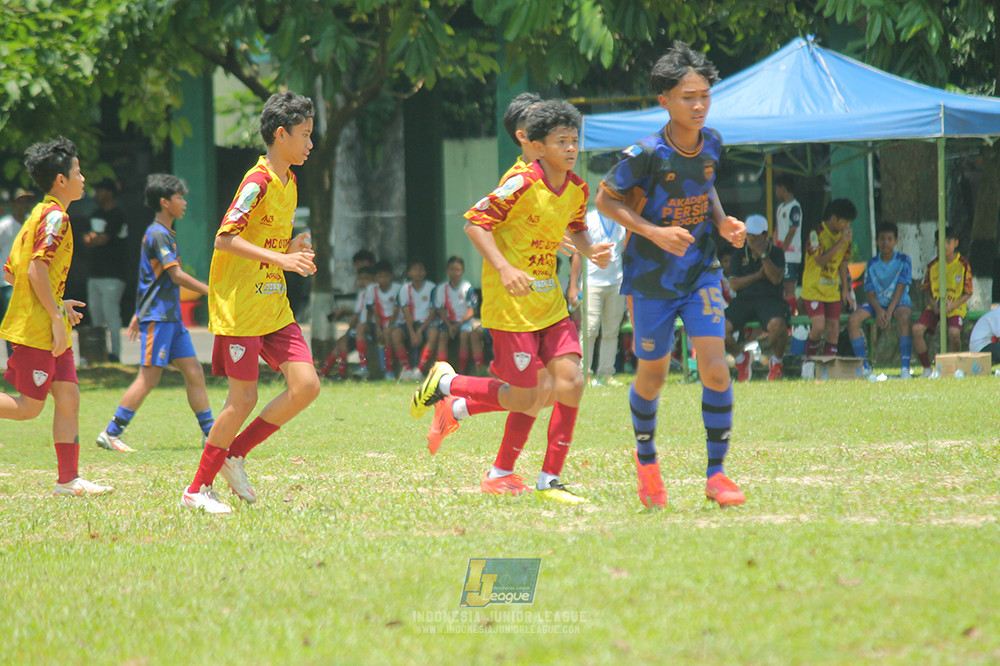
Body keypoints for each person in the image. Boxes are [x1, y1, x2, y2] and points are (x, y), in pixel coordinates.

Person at [411, 99, 612, 504]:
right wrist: (504, 268)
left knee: (569, 383)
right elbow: (475, 224)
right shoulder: (520, 182)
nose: (571, 149)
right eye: (562, 141)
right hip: (512, 307)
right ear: (534, 144)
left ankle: (548, 479)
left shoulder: (576, 187)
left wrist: (589, 250)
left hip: (549, 303)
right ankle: (450, 386)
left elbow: (573, 225)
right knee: (529, 395)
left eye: (575, 141)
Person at [595, 41, 747, 509]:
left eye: (704, 95)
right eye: (688, 97)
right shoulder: (645, 153)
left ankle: (717, 474)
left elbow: (706, 183)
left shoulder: (714, 141)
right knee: (653, 377)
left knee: (716, 369)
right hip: (650, 278)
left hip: (701, 270)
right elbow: (605, 200)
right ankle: (646, 462)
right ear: (664, 101)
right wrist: (653, 233)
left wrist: (721, 222)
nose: (698, 105)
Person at [181, 92, 320, 514]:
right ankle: (196, 490)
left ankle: (234, 455)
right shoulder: (256, 181)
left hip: (273, 304)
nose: (310, 144)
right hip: (242, 305)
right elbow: (225, 238)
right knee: (241, 399)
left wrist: (292, 245)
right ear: (281, 135)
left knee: (307, 386)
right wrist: (282, 258)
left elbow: (267, 240)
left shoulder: (290, 181)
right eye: (305, 135)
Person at [0, 137, 112, 497]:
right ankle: (68, 479)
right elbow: (35, 270)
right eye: (78, 172)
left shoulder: (37, 215)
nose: (83, 178)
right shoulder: (55, 218)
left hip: (46, 323)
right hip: (36, 330)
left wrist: (58, 306)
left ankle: (68, 480)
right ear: (61, 180)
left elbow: (10, 273)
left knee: (68, 398)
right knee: (28, 409)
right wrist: (53, 316)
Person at [94, 174, 215, 452]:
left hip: (170, 318)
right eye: (179, 197)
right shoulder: (158, 233)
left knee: (194, 371)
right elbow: (175, 275)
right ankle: (111, 433)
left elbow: (149, 277)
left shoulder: (165, 233)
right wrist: (212, 291)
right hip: (159, 318)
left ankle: (210, 435)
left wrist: (138, 311)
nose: (184, 202)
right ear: (164, 202)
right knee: (148, 378)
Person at [725, 214, 788, 381]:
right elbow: (734, 284)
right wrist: (757, 276)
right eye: (748, 234)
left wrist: (762, 255)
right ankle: (740, 359)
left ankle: (776, 363)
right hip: (744, 300)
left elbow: (775, 278)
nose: (750, 239)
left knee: (778, 325)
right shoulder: (738, 255)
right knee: (718, 327)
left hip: (770, 299)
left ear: (765, 235)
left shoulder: (776, 253)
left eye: (754, 235)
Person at [568, 208, 627, 386]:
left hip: (616, 282)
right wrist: (573, 285)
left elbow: (622, 252)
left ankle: (606, 374)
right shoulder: (589, 219)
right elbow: (578, 253)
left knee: (611, 330)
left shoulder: (621, 220)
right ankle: (583, 373)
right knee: (590, 328)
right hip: (591, 282)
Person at [846, 222, 913, 377]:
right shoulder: (872, 263)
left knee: (904, 317)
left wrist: (888, 311)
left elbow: (901, 286)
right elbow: (870, 292)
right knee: (853, 320)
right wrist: (879, 310)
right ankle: (864, 367)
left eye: (890, 239)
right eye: (882, 239)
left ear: (896, 241)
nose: (885, 243)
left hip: (898, 303)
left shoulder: (904, 260)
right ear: (877, 241)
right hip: (877, 305)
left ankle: (905, 367)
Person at [913, 226, 972, 377]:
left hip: (955, 307)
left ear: (956, 243)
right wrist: (933, 304)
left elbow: (968, 292)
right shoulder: (932, 266)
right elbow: (926, 288)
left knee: (953, 333)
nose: (944, 246)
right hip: (935, 306)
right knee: (917, 329)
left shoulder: (963, 264)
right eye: (940, 242)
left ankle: (951, 367)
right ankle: (927, 368)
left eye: (948, 242)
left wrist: (953, 305)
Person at [802, 198, 857, 357]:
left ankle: (829, 367)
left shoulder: (844, 238)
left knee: (834, 329)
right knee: (818, 327)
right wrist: (840, 242)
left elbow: (843, 263)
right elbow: (819, 260)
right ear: (834, 219)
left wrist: (845, 290)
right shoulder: (816, 234)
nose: (847, 227)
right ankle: (809, 362)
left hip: (832, 290)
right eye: (845, 223)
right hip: (814, 289)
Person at [83, 177, 129, 362]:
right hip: (94, 273)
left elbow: (103, 239)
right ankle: (99, 353)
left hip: (114, 274)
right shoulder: (95, 213)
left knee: (111, 315)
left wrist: (95, 238)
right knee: (96, 315)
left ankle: (115, 354)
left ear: (109, 192)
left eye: (101, 190)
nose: (97, 194)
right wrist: (94, 238)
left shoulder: (118, 214)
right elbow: (86, 238)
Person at [432, 255, 484, 375]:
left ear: (463, 271)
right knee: (442, 337)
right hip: (448, 322)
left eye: (458, 269)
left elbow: (471, 311)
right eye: (452, 269)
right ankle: (440, 371)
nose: (455, 272)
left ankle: (461, 370)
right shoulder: (441, 288)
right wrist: (449, 325)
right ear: (447, 270)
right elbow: (441, 310)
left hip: (463, 322)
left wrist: (458, 325)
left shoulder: (467, 287)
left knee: (464, 335)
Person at [321, 264, 374, 379]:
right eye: (360, 278)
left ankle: (363, 367)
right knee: (342, 341)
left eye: (366, 278)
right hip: (360, 327)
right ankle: (329, 373)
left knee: (354, 332)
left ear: (372, 279)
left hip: (369, 327)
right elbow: (357, 314)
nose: (362, 281)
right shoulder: (362, 294)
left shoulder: (373, 291)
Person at [0, 188, 34, 358]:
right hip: (6, 281)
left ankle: (24, 358)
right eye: (20, 202)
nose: (24, 206)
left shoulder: (31, 223)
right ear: (13, 204)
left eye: (27, 202)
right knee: (12, 321)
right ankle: (13, 358)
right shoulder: (4, 226)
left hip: (28, 280)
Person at [394, 258, 438, 381]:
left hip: (426, 323)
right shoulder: (404, 289)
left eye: (421, 269)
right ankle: (407, 370)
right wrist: (413, 333)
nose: (418, 272)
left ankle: (419, 370)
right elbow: (406, 313)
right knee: (395, 334)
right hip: (410, 324)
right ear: (409, 273)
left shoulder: (432, 287)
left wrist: (419, 331)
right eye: (414, 269)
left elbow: (432, 313)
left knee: (434, 333)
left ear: (425, 272)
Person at [773, 174, 803, 314]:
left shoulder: (795, 207)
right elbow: (778, 228)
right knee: (781, 286)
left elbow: (792, 230)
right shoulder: (780, 208)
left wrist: (782, 250)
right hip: (780, 253)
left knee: (789, 287)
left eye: (777, 189)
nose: (776, 193)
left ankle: (792, 317)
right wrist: (774, 250)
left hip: (790, 255)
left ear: (782, 188)